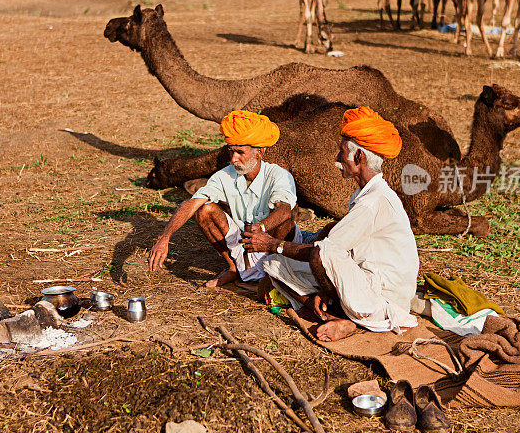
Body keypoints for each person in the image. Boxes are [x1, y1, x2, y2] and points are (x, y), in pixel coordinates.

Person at [242, 106, 419, 342]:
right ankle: (334, 311)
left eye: (341, 151)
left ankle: (338, 316)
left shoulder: (373, 202)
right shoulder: (368, 194)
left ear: (358, 157)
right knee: (274, 269)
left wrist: (272, 243)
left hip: (381, 302)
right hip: (367, 283)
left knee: (304, 256)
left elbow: (321, 253)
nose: (337, 158)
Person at [148, 110, 299, 288]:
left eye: (240, 152)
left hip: (274, 244)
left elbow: (285, 209)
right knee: (204, 209)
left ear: (260, 153)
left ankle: (277, 269)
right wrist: (165, 237)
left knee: (284, 216)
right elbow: (191, 204)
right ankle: (234, 268)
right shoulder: (224, 176)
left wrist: (261, 228)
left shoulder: (278, 175)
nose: (234, 158)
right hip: (245, 244)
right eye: (231, 151)